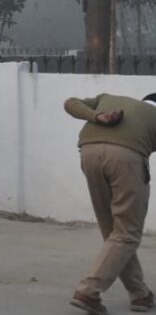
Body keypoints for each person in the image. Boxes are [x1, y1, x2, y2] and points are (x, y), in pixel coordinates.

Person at [63, 93, 156, 315]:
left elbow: (70, 103)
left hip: (88, 152)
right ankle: (88, 291)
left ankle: (139, 294)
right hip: (125, 159)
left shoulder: (109, 99)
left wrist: (96, 116)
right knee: (127, 233)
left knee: (114, 232)